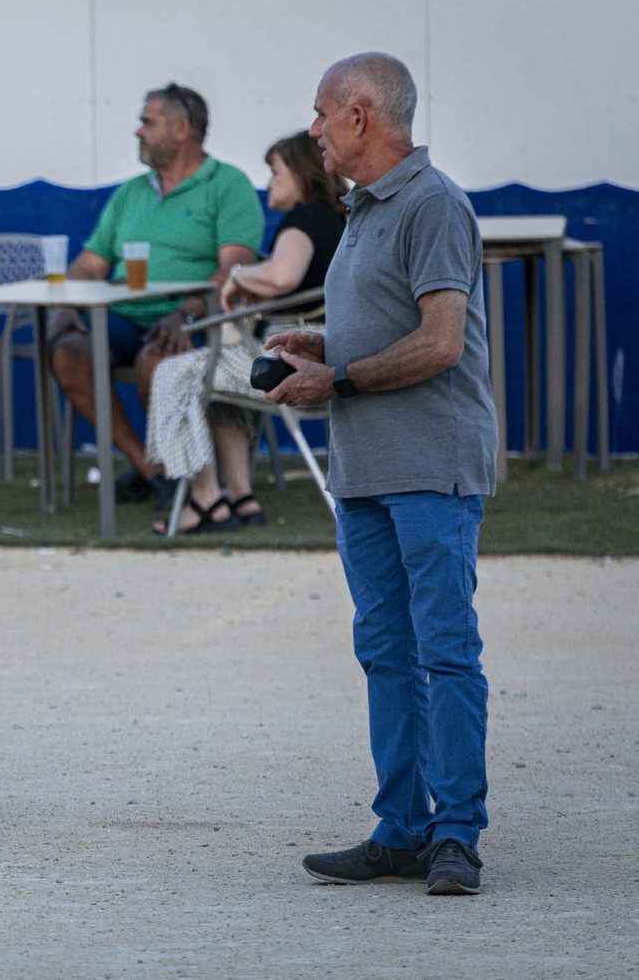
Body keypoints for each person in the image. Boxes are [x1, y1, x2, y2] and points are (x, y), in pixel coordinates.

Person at [266, 53, 496, 895]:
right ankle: (401, 827)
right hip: (364, 467)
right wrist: (320, 346)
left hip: (429, 464)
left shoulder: (433, 204)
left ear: (362, 117)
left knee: (443, 650)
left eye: (324, 114)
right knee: (387, 651)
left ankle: (456, 835)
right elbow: (393, 326)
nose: (316, 131)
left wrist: (342, 379)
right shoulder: (363, 209)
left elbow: (439, 342)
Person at [50, 83, 264, 507]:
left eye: (148, 122)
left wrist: (186, 314)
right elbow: (90, 263)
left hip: (199, 320)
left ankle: (183, 477)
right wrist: (64, 304)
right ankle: (155, 471)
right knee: (67, 350)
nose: (137, 131)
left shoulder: (228, 185)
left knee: (158, 359)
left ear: (182, 129)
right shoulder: (131, 193)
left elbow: (233, 271)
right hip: (127, 316)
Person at [144, 130, 347, 533]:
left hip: (288, 361)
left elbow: (283, 275)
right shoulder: (342, 218)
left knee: (173, 371)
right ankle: (241, 495)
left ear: (302, 175)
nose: (269, 183)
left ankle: (205, 500)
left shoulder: (303, 219)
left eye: (275, 173)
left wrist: (239, 275)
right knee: (219, 380)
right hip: (329, 353)